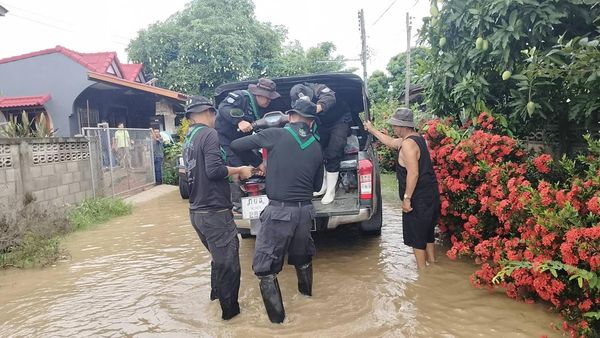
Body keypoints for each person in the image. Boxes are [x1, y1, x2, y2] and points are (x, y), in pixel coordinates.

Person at [230, 99, 324, 324]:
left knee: (265, 270)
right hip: (305, 213)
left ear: (290, 117)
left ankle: (279, 325)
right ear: (311, 122)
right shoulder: (316, 146)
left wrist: (256, 156)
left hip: (279, 212)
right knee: (302, 259)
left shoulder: (276, 135)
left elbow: (236, 145)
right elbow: (317, 186)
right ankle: (307, 301)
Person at [183, 96, 254, 320]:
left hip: (197, 213)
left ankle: (215, 303)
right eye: (213, 114)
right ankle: (231, 319)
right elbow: (214, 170)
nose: (214, 119)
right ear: (208, 113)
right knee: (230, 267)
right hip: (214, 213)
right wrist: (240, 169)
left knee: (219, 260)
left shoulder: (190, 138)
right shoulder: (209, 134)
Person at [363, 108, 440, 270]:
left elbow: (413, 173)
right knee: (427, 233)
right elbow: (390, 142)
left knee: (417, 237)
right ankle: (433, 264)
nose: (393, 128)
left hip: (418, 199)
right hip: (430, 195)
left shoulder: (408, 145)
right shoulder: (417, 139)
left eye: (395, 125)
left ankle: (423, 274)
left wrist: (407, 199)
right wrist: (372, 129)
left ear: (403, 126)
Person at [215, 78, 281, 210]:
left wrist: (260, 163)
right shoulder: (241, 97)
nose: (269, 100)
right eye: (267, 98)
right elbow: (223, 107)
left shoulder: (262, 108)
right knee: (237, 167)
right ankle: (238, 205)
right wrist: (239, 121)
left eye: (270, 98)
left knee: (260, 164)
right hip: (224, 140)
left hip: (241, 142)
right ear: (258, 94)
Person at [290, 83, 352, 205]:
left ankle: (331, 190)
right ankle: (322, 186)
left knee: (334, 150)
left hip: (339, 120)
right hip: (322, 123)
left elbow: (329, 98)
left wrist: (315, 108)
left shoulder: (319, 88)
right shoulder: (295, 98)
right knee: (318, 151)